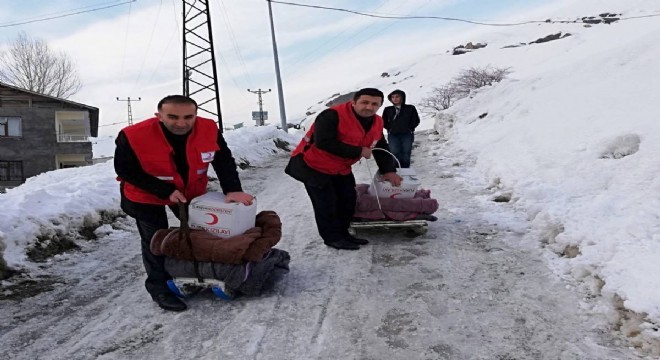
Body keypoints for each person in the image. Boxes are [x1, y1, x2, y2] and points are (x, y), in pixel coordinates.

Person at [114, 95, 254, 312]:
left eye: (188, 117)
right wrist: (165, 191)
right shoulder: (132, 136)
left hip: (189, 190)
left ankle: (199, 273)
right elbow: (125, 169)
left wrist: (233, 189)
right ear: (158, 116)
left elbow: (223, 159)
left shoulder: (208, 128)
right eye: (172, 117)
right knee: (155, 240)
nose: (181, 123)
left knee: (202, 232)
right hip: (145, 193)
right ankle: (159, 287)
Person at [285, 88, 402, 250]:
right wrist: (359, 151)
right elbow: (324, 142)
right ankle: (332, 238)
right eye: (365, 102)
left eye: (375, 104)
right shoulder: (331, 115)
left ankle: (344, 233)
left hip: (340, 167)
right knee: (326, 203)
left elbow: (381, 145)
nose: (369, 107)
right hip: (312, 165)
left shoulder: (377, 122)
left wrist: (389, 170)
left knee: (348, 200)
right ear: (353, 102)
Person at [381, 89, 420, 168]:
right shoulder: (388, 109)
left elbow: (416, 120)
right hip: (393, 134)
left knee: (406, 152)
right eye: (393, 97)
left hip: (407, 134)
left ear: (402, 98)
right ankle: (396, 168)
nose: (395, 99)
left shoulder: (410, 108)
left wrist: (410, 129)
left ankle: (406, 169)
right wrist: (390, 129)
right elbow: (383, 121)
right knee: (394, 151)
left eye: (397, 97)